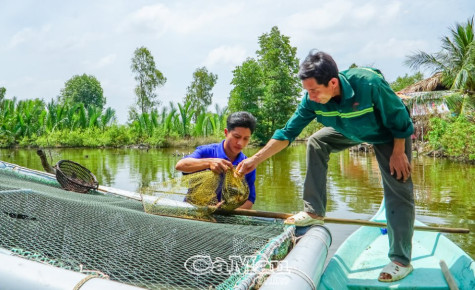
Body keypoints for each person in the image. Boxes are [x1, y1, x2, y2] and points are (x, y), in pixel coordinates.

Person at [235, 50, 415, 282]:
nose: (310, 96)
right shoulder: (311, 100)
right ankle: (314, 211)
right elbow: (288, 133)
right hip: (349, 128)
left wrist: (399, 151)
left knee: (398, 188)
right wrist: (254, 160)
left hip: (387, 133)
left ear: (332, 82)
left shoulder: (369, 84)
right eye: (307, 91)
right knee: (317, 141)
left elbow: (400, 116)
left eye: (314, 90)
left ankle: (401, 260)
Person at [176, 111, 257, 209]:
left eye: (246, 139)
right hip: (194, 211)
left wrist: (227, 211)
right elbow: (180, 165)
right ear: (226, 133)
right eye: (237, 137)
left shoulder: (247, 164)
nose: (240, 143)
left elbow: (249, 201)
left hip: (226, 218)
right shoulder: (206, 151)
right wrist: (209, 162)